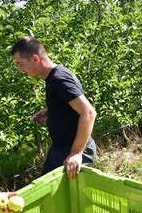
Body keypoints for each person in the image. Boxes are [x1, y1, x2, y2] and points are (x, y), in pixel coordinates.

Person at [11, 36, 97, 179]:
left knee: (66, 199)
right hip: (61, 148)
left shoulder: (59, 79)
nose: (20, 69)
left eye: (20, 64)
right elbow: (69, 107)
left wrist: (76, 153)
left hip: (74, 150)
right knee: (46, 192)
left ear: (35, 59)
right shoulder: (53, 77)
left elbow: (88, 113)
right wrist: (50, 112)